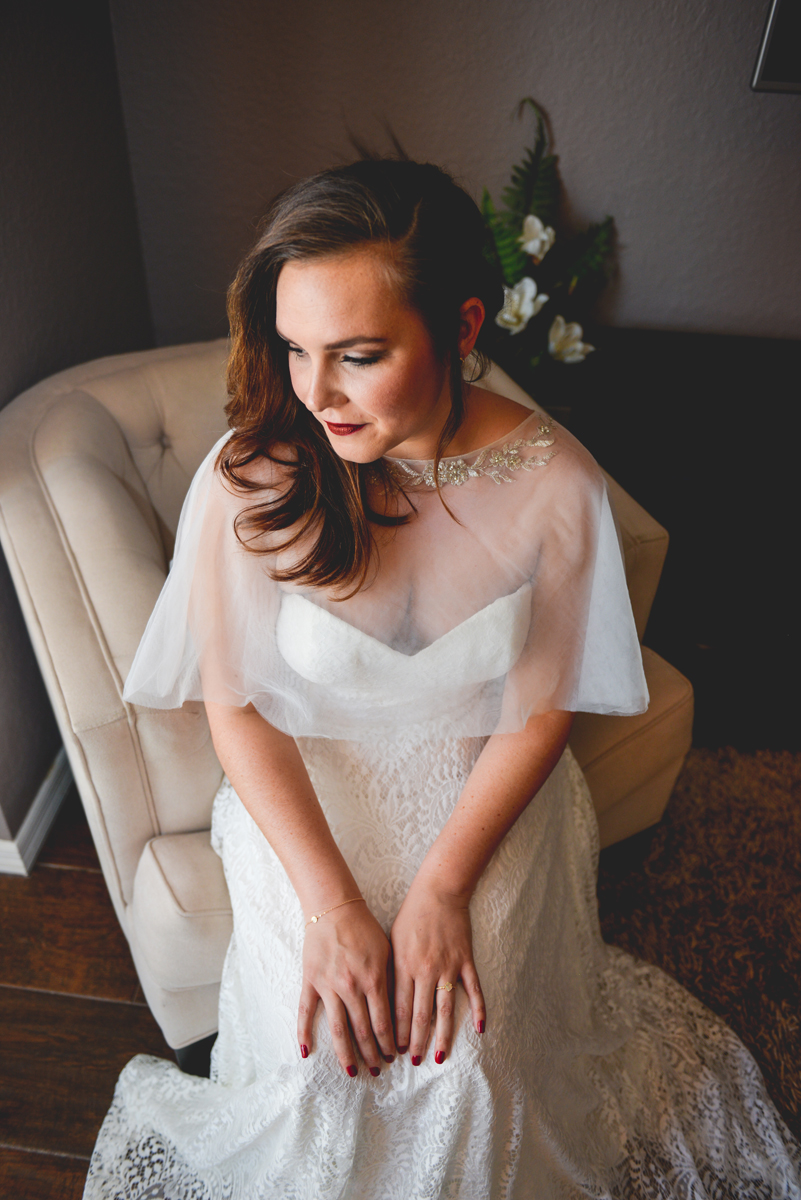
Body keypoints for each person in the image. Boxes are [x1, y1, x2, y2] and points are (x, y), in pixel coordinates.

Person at [84, 159, 800, 1200]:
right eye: (293, 349)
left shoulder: (557, 484)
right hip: (307, 801)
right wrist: (331, 907)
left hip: (484, 799)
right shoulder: (258, 474)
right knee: (322, 1056)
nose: (314, 391)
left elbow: (544, 705)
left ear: (462, 328)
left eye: (357, 355)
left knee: (468, 1053)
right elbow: (236, 707)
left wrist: (446, 885)